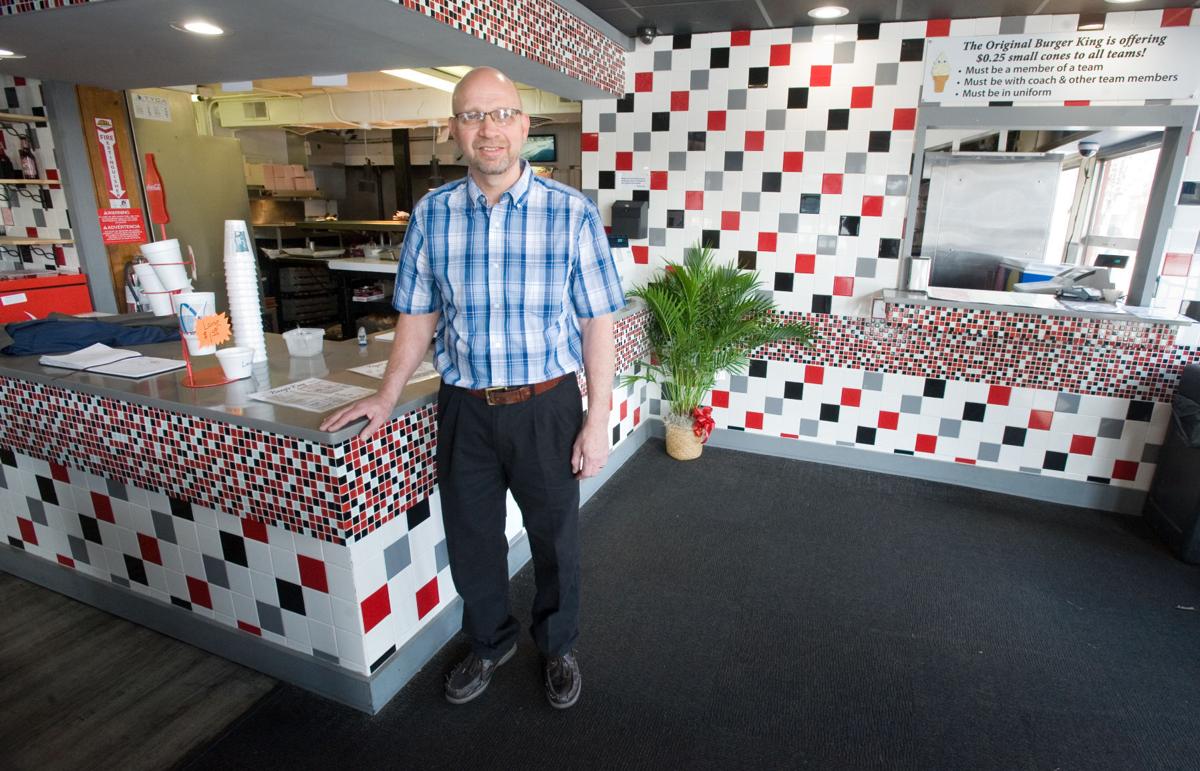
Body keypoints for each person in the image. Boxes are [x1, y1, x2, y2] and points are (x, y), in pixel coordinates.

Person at [321, 66, 624, 710]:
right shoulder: (433, 213)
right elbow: (418, 314)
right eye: (471, 116)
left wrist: (597, 420)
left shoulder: (570, 214)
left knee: (555, 539)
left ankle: (559, 645)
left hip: (546, 406)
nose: (487, 129)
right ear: (454, 130)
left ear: (522, 124)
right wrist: (385, 393)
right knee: (472, 540)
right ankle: (489, 643)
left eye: (499, 114)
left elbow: (599, 323)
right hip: (465, 409)